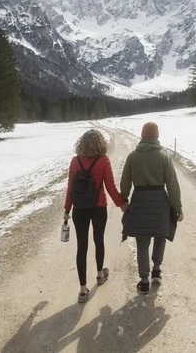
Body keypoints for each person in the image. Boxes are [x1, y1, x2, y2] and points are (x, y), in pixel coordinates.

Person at [120, 122, 183, 295]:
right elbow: (173, 186)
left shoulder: (132, 157)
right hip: (160, 203)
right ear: (157, 136)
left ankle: (144, 280)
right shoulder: (164, 157)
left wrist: (123, 200)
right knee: (160, 235)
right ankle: (156, 268)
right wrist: (178, 208)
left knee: (142, 242)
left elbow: (125, 182)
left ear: (142, 135)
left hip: (139, 201)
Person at [64, 129, 125, 303]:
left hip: (79, 209)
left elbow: (70, 188)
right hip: (99, 208)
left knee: (81, 247)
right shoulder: (103, 160)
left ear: (81, 143)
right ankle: (100, 275)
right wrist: (122, 204)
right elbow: (111, 187)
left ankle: (83, 290)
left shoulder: (75, 161)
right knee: (99, 240)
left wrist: (67, 209)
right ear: (100, 144)